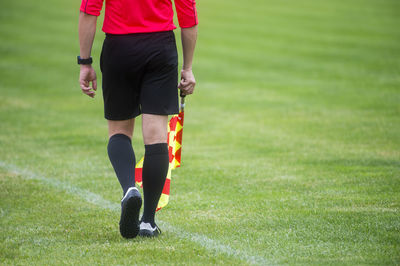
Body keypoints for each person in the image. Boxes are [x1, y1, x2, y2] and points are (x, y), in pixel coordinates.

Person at [77, 0, 198, 238]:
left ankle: (130, 189)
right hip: (160, 47)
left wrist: (85, 62)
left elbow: (89, 11)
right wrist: (188, 67)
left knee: (119, 130)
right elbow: (188, 15)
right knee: (156, 135)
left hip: (119, 47)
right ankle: (148, 222)